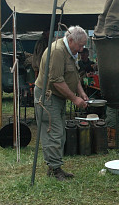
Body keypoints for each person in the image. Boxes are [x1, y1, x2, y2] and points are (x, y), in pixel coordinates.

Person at [34, 26, 88, 181]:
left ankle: (55, 167)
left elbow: (74, 75)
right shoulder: (57, 52)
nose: (81, 49)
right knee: (53, 132)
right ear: (70, 40)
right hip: (48, 97)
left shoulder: (69, 51)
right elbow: (56, 81)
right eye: (80, 45)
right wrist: (74, 99)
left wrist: (81, 93)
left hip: (58, 97)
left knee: (59, 133)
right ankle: (55, 169)